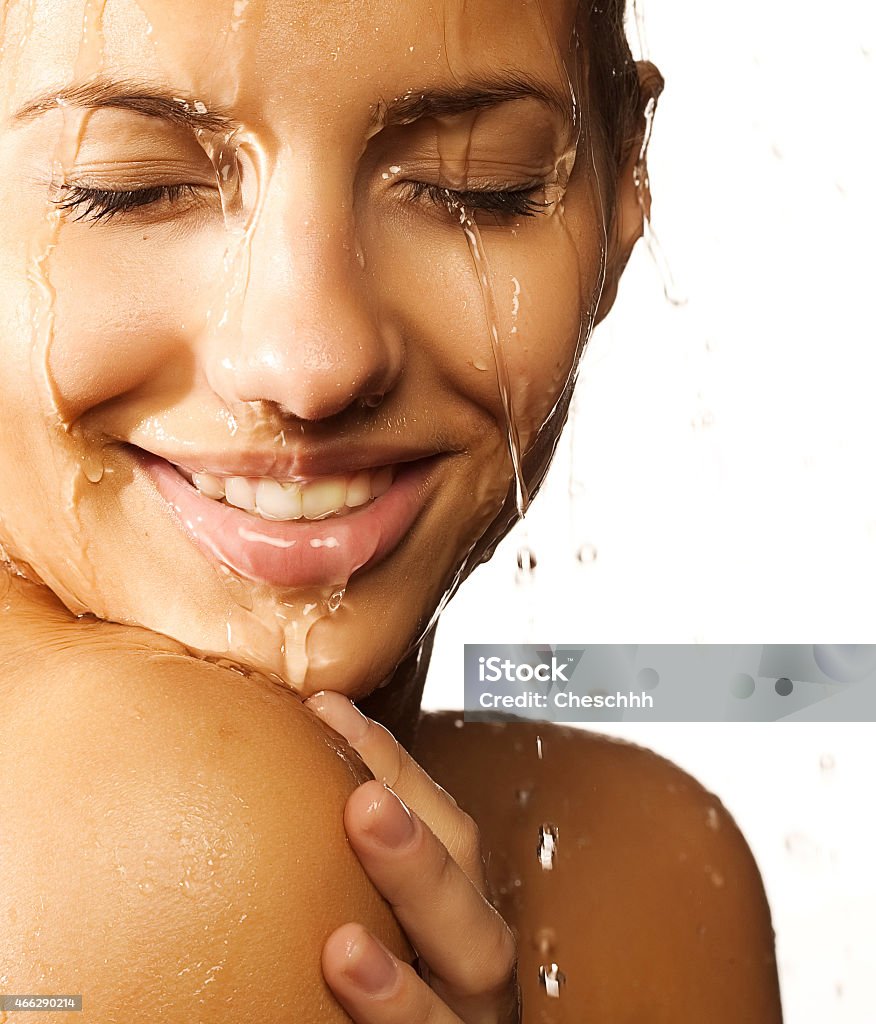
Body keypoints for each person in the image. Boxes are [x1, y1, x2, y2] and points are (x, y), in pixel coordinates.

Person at [0, 0, 783, 1020]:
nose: (314, 360)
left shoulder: (648, 869)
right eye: (130, 190)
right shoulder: (168, 839)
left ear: (625, 180)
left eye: (474, 188)